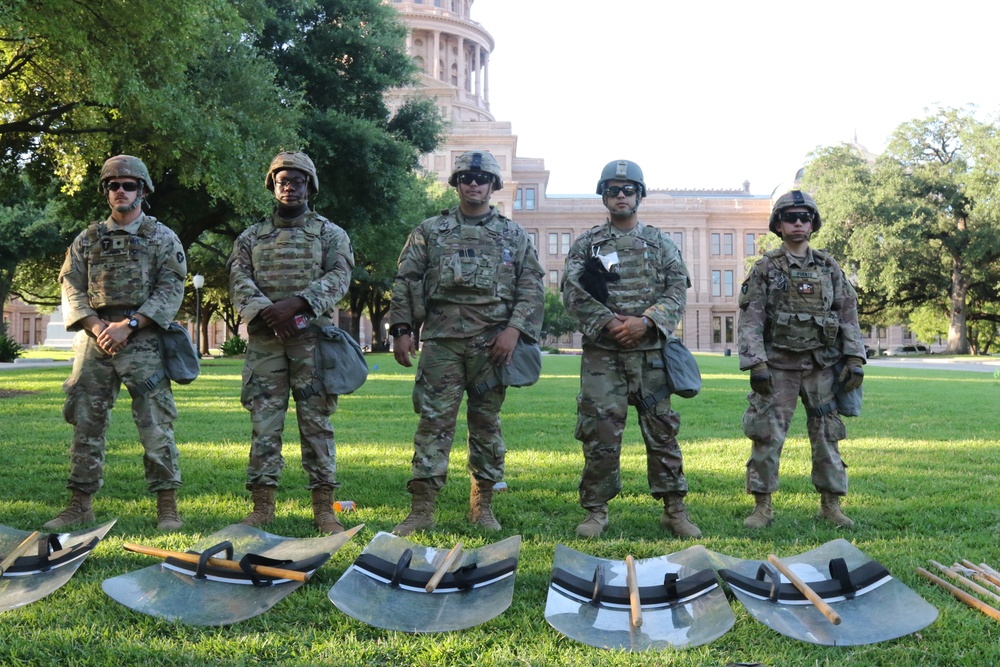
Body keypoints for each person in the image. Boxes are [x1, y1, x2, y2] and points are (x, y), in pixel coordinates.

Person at [388, 149, 544, 536]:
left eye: (482, 178)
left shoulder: (513, 234)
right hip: (442, 342)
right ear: (456, 183)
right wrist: (401, 329)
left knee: (486, 423)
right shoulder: (430, 230)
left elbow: (531, 286)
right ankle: (422, 508)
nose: (474, 184)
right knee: (433, 423)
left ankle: (483, 504)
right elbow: (407, 280)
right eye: (466, 178)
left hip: (492, 343)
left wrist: (514, 331)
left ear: (494, 185)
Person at [561, 160, 700, 539]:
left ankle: (675, 509)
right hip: (603, 356)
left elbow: (676, 290)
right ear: (603, 195)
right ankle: (595, 510)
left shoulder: (660, 242)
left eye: (627, 190)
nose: (620, 196)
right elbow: (572, 293)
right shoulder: (587, 244)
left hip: (651, 354)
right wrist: (609, 322)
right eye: (612, 190)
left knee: (662, 431)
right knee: (600, 431)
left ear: (640, 194)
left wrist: (646, 321)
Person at [47, 155, 186, 531]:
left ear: (142, 191)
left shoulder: (161, 237)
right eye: (113, 185)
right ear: (106, 192)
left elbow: (171, 287)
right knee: (86, 422)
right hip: (95, 339)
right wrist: (95, 326)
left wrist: (130, 324)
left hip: (142, 338)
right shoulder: (88, 239)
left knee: (155, 421)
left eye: (128, 185)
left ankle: (167, 506)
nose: (120, 191)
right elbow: (70, 284)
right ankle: (80, 503)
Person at [227, 151, 356, 534]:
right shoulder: (251, 236)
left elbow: (340, 274)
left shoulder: (330, 234)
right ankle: (262, 507)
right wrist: (269, 312)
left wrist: (298, 304)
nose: (289, 186)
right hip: (266, 341)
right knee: (264, 424)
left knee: (316, 424)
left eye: (297, 180)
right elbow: (238, 277)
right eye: (282, 180)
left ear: (309, 186)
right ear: (272, 185)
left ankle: (324, 509)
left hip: (311, 342)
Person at [738, 189, 866, 529]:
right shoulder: (766, 268)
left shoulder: (828, 267)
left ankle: (831, 505)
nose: (797, 222)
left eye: (804, 217)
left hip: (821, 367)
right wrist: (757, 363)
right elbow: (752, 318)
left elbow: (847, 314)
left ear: (813, 224)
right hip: (778, 367)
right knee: (767, 435)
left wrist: (854, 357)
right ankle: (762, 507)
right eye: (789, 217)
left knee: (828, 435)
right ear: (778, 225)